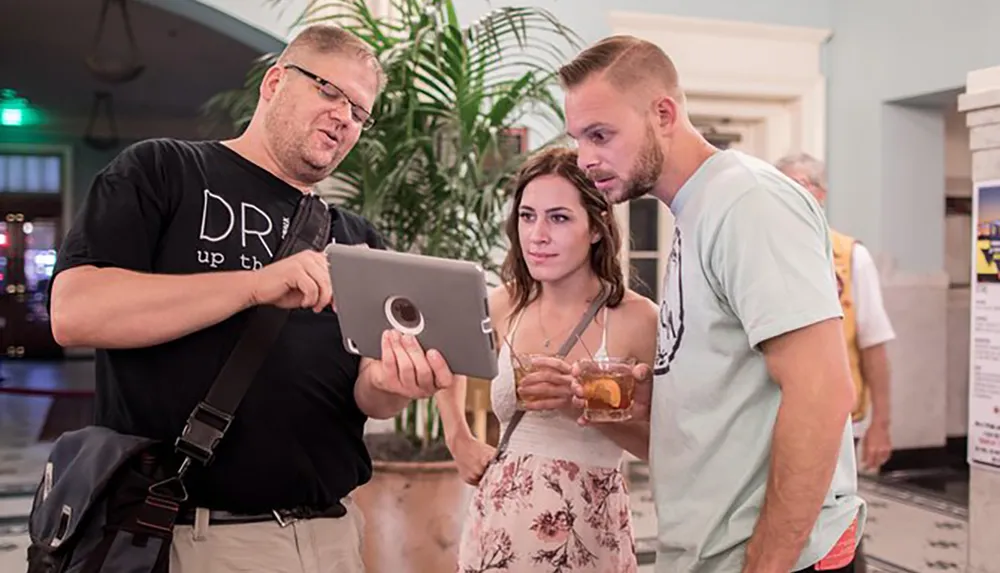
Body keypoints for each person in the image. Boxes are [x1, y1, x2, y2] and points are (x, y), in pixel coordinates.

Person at [48, 24, 456, 573]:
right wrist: (254, 283)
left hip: (333, 537)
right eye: (329, 91)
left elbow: (369, 394)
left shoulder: (358, 239)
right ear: (274, 83)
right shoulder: (163, 171)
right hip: (192, 537)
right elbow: (75, 313)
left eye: (360, 113)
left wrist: (391, 386)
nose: (344, 118)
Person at [558, 35, 865, 572]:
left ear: (663, 112)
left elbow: (822, 393)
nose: (586, 159)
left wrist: (765, 565)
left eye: (601, 135)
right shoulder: (698, 210)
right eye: (579, 138)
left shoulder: (747, 201)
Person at [435, 146, 658, 573]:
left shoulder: (637, 319)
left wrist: (578, 404)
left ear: (596, 227)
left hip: (592, 534)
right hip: (499, 527)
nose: (537, 235)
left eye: (558, 218)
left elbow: (660, 448)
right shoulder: (504, 305)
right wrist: (458, 437)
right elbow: (445, 356)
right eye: (527, 216)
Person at [776, 152, 897, 573]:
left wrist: (881, 422)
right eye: (780, 186)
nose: (789, 195)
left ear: (821, 195)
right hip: (781, 416)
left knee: (837, 521)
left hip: (843, 417)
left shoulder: (849, 255)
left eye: (800, 184)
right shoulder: (766, 254)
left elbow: (874, 344)